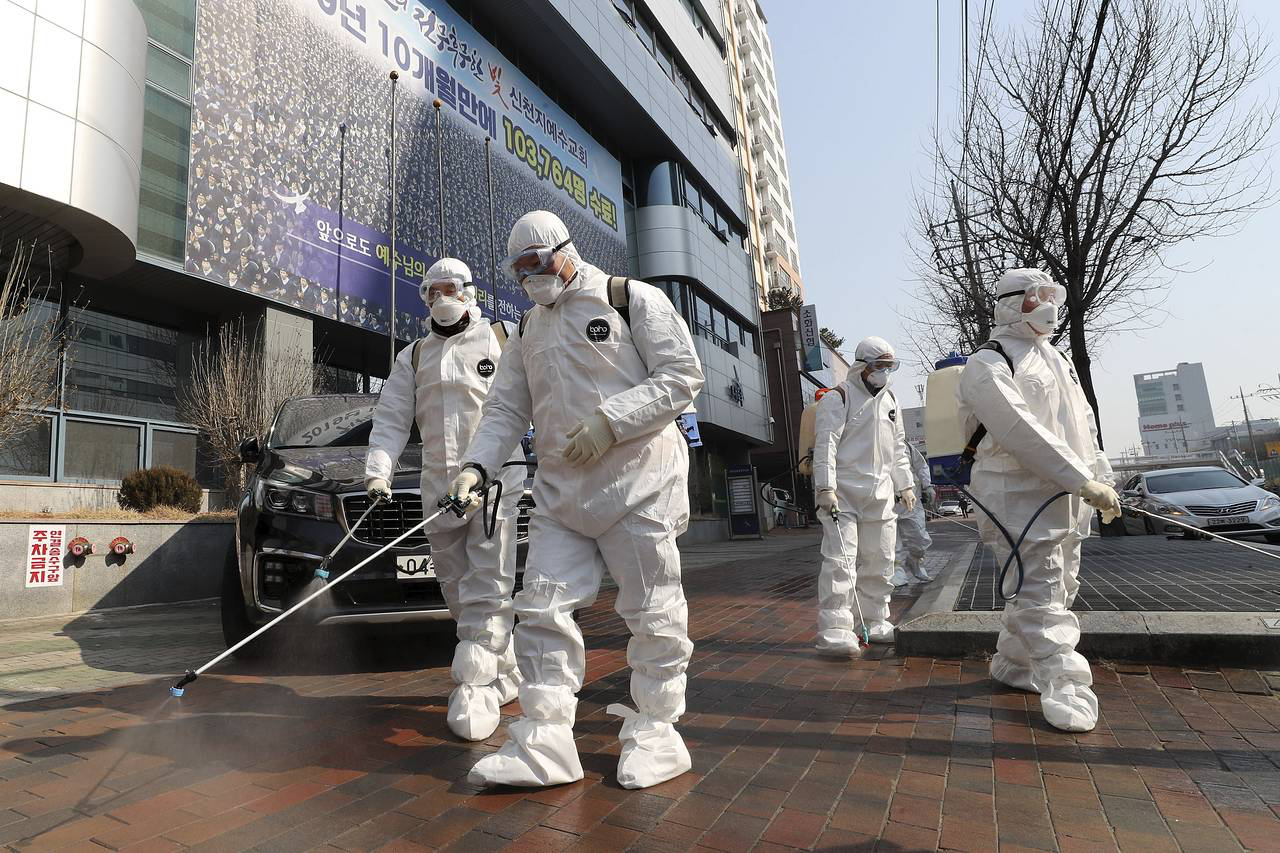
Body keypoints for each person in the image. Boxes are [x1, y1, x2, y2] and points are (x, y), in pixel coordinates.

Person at [446, 210, 704, 790]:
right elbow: (507, 410)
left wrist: (611, 422)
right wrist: (474, 468)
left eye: (536, 263)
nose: (530, 277)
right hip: (562, 494)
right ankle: (546, 740)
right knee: (539, 610)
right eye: (519, 271)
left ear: (564, 250)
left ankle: (658, 731)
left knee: (654, 612)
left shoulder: (628, 299)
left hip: (639, 483)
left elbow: (682, 375)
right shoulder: (527, 331)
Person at [365, 257, 525, 742]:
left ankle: (474, 687)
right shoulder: (414, 356)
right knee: (456, 590)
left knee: (489, 583)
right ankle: (506, 669)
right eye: (430, 291)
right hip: (439, 491)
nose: (440, 298)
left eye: (449, 288)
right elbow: (391, 419)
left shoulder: (504, 338)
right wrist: (378, 473)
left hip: (496, 481)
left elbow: (535, 398)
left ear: (470, 290)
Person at [957, 268, 1120, 733]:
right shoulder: (986, 363)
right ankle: (1065, 685)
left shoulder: (1057, 359)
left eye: (1051, 296)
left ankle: (1013, 665)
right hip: (1016, 496)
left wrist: (1098, 477)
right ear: (1010, 303)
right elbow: (1018, 429)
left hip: (1065, 495)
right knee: (1041, 592)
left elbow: (1083, 426)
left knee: (1057, 586)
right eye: (1035, 297)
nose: (1047, 305)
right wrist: (1080, 479)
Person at [812, 336, 915, 653]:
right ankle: (835, 629)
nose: (884, 373)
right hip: (843, 495)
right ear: (861, 366)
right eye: (878, 366)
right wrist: (825, 487)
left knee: (880, 560)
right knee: (840, 562)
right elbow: (825, 445)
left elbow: (898, 449)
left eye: (889, 366)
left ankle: (874, 620)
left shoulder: (891, 402)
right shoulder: (838, 398)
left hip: (881, 494)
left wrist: (905, 484)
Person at [892, 443, 934, 584]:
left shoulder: (906, 446)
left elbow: (921, 465)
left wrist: (927, 485)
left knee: (920, 538)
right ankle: (896, 572)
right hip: (886, 503)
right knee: (891, 542)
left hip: (910, 501)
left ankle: (915, 561)